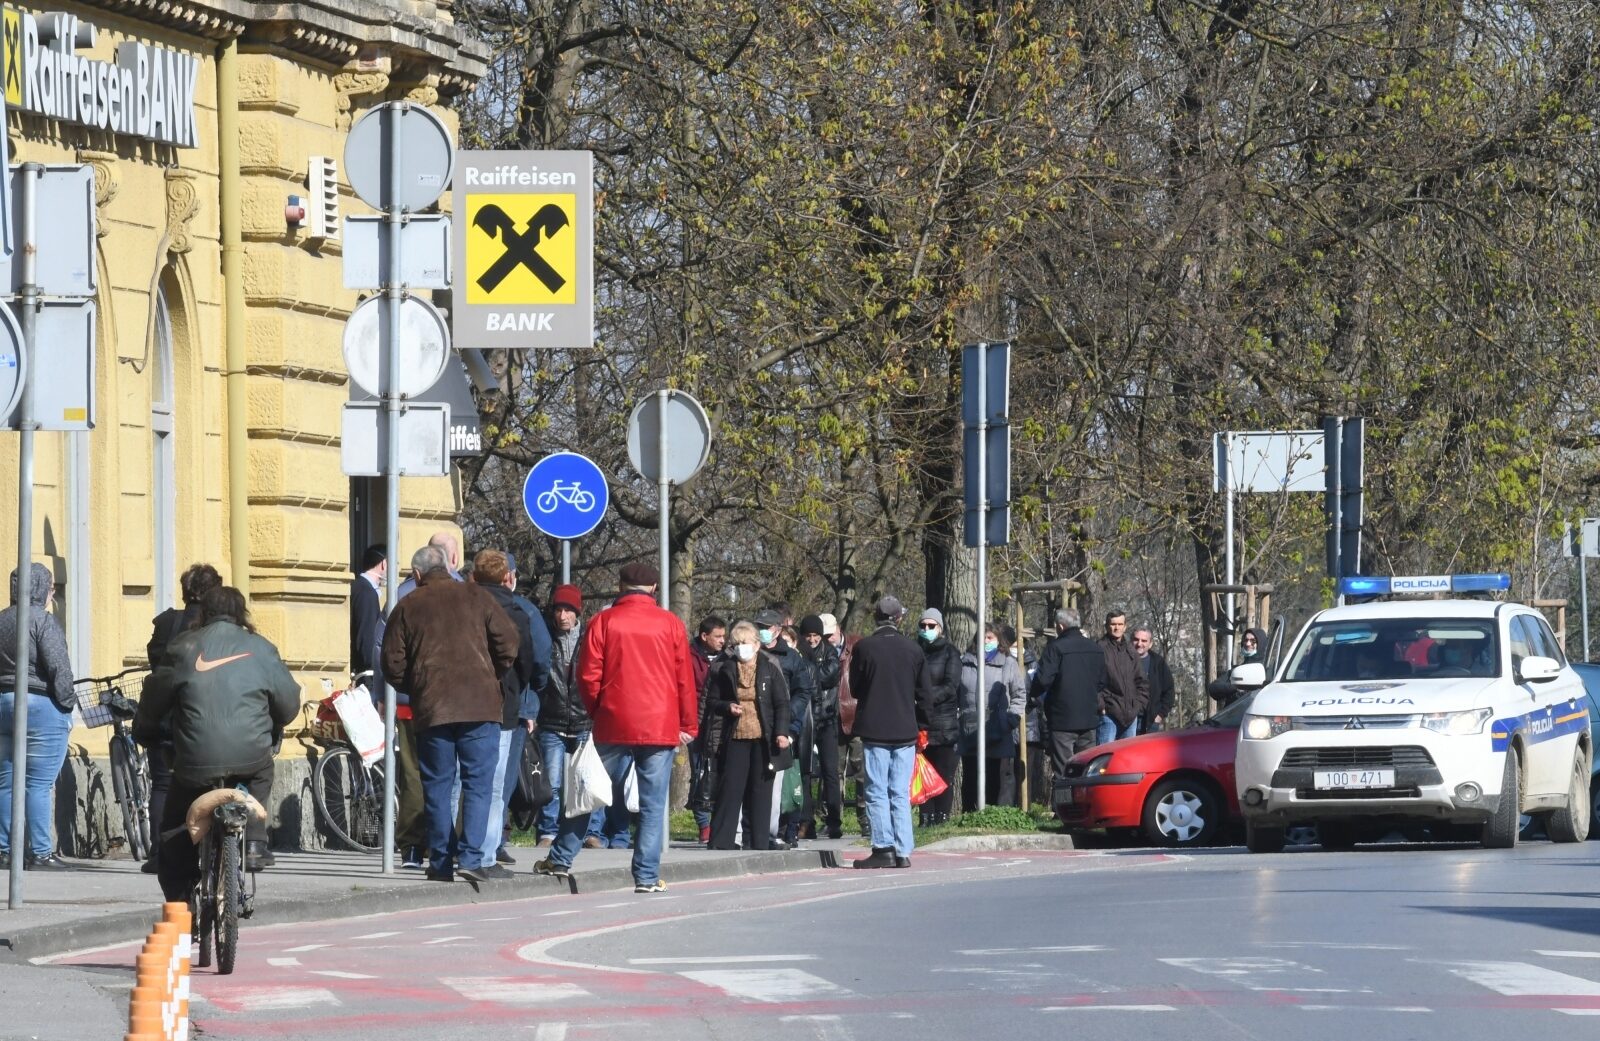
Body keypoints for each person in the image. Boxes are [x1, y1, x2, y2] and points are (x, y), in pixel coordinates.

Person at [533, 562, 698, 894]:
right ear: (654, 589)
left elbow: (588, 675)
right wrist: (687, 723)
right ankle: (647, 877)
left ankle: (561, 858)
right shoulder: (671, 624)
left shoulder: (603, 621)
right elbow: (684, 679)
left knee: (587, 792)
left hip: (613, 720)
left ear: (621, 587)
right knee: (652, 805)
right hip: (659, 724)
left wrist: (600, 710)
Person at [136, 586, 299, 898]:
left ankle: (182, 901)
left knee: (176, 825)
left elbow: (154, 699)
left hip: (195, 761)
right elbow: (289, 703)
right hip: (250, 755)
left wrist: (144, 731)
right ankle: (253, 840)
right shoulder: (261, 648)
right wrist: (272, 725)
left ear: (203, 613)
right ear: (241, 614)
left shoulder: (183, 646)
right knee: (262, 770)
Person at [381, 545, 520, 884]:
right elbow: (509, 644)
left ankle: (440, 862)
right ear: (448, 566)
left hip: (434, 709)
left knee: (438, 786)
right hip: (481, 706)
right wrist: (490, 676)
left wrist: (419, 687)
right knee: (478, 784)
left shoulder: (408, 605)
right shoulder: (477, 596)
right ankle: (472, 857)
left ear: (416, 575)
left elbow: (391, 664)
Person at [141, 562, 223, 874]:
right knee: (209, 785)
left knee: (162, 786)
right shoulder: (215, 627)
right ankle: (208, 849)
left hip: (166, 720)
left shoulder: (166, 623)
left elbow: (155, 662)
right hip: (204, 722)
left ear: (185, 590)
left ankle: (160, 854)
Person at [469, 550, 541, 874]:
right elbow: (531, 662)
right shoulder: (518, 611)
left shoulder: (460, 606)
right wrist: (516, 688)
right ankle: (485, 855)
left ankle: (458, 851)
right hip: (503, 705)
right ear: (508, 578)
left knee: (461, 781)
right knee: (495, 783)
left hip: (460, 703)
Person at [0, 563, 76, 871]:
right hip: (40, 705)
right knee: (39, 783)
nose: (52, 593)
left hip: (2, 703)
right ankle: (41, 852)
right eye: (51, 587)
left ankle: (4, 850)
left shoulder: (2, 619)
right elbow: (59, 667)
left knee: (5, 781)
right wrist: (67, 704)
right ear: (42, 588)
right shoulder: (43, 621)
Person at [847, 596, 931, 869]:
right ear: (899, 619)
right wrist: (923, 725)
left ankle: (883, 846)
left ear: (876, 618)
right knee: (899, 791)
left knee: (877, 791)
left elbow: (856, 688)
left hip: (874, 729)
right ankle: (904, 848)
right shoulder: (913, 650)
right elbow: (924, 694)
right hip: (905, 729)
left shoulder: (864, 648)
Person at [701, 620, 792, 850]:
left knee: (760, 792)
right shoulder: (725, 668)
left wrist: (781, 733)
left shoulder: (770, 667)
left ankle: (758, 841)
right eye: (738, 643)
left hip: (764, 738)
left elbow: (782, 703)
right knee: (731, 789)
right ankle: (721, 841)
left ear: (756, 644)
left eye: (746, 642)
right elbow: (712, 700)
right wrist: (727, 707)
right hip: (734, 737)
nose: (742, 647)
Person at [495, 552, 552, 863]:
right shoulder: (525, 610)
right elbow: (541, 659)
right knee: (502, 778)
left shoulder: (470, 603)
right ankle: (494, 841)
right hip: (515, 706)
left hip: (474, 705)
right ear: (512, 577)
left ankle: (474, 841)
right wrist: (532, 697)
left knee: (476, 777)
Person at [755, 608, 815, 848]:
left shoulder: (791, 657)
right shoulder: (753, 653)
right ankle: (755, 830)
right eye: (758, 626)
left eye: (766, 627)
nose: (762, 632)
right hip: (755, 728)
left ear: (778, 630)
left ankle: (777, 831)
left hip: (782, 728)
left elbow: (803, 691)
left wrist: (790, 721)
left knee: (779, 785)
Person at [534, 583, 588, 845]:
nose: (563, 616)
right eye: (558, 609)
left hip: (584, 718)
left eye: (568, 610)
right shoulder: (544, 636)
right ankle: (548, 830)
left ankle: (591, 833)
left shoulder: (590, 637)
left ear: (578, 612)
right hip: (552, 718)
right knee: (551, 782)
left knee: (587, 779)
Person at [1032, 608, 1108, 775]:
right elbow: (1102, 681)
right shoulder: (1094, 648)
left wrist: (1033, 695)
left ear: (1060, 626)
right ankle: (1086, 801)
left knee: (1063, 770)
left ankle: (1065, 801)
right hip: (1089, 718)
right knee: (1087, 769)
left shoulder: (1056, 648)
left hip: (1062, 719)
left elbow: (1043, 680)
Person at [958, 625, 1027, 808]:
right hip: (970, 728)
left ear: (998, 640)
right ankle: (968, 816)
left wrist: (1011, 720)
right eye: (982, 637)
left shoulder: (1008, 663)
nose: (986, 641)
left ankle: (989, 814)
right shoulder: (965, 662)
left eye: (990, 637)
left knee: (992, 775)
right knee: (970, 775)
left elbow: (1019, 695)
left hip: (997, 729)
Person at [796, 613, 843, 839]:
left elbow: (827, 676)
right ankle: (806, 821)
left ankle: (834, 820)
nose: (812, 640)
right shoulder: (798, 653)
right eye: (808, 636)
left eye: (815, 635)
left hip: (827, 719)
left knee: (830, 771)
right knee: (804, 771)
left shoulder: (830, 653)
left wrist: (808, 672)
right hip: (807, 720)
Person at [915, 609, 962, 826]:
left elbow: (950, 686)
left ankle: (941, 818)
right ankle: (925, 817)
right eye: (923, 626)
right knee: (922, 774)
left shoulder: (950, 653)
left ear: (940, 628)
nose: (926, 630)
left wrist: (925, 698)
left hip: (943, 723)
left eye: (931, 626)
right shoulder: (914, 651)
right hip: (919, 723)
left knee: (943, 775)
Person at [688, 616, 727, 842]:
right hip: (697, 721)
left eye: (724, 636)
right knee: (700, 772)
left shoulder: (727, 657)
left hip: (720, 721)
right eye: (718, 636)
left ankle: (719, 820)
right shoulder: (688, 656)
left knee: (720, 771)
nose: (723, 640)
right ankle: (703, 823)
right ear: (704, 636)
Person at [1098, 610, 1148, 744]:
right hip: (1109, 714)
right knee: (1104, 760)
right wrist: (1101, 706)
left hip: (1131, 715)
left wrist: (1138, 705)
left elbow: (1141, 681)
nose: (1117, 627)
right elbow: (1092, 681)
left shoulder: (1131, 650)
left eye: (1120, 624)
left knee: (1127, 761)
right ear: (1107, 626)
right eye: (1113, 624)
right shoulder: (1099, 648)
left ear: (1125, 626)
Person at [348, 545, 385, 687]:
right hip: (366, 678)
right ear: (384, 563)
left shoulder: (360, 587)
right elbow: (367, 637)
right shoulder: (366, 592)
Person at [1133, 627, 1177, 733]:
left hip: (1150, 721)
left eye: (1144, 641)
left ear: (1150, 644)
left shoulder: (1158, 663)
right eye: (1136, 639)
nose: (1139, 644)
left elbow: (1169, 690)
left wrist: (1160, 715)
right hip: (1127, 721)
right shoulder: (1123, 661)